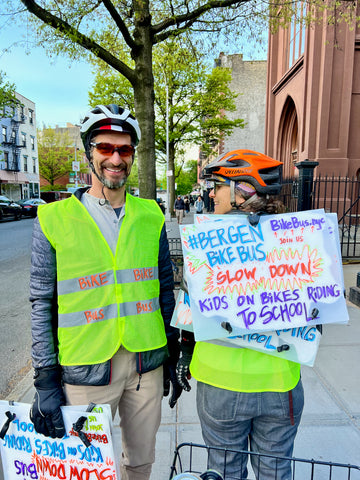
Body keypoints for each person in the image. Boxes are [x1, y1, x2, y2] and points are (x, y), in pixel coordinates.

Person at [29, 104, 183, 480]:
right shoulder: (53, 219)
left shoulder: (151, 216)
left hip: (145, 366)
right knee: (85, 470)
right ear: (90, 153)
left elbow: (165, 287)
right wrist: (45, 378)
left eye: (125, 149)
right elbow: (41, 303)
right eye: (105, 148)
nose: (115, 158)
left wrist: (174, 352)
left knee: (141, 462)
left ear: (133, 155)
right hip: (85, 372)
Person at [176, 150, 304, 480]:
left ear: (240, 192)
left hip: (219, 384)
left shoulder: (207, 241)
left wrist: (183, 355)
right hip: (279, 385)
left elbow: (188, 315)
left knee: (223, 473)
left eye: (217, 185)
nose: (210, 193)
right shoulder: (300, 239)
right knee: (275, 473)